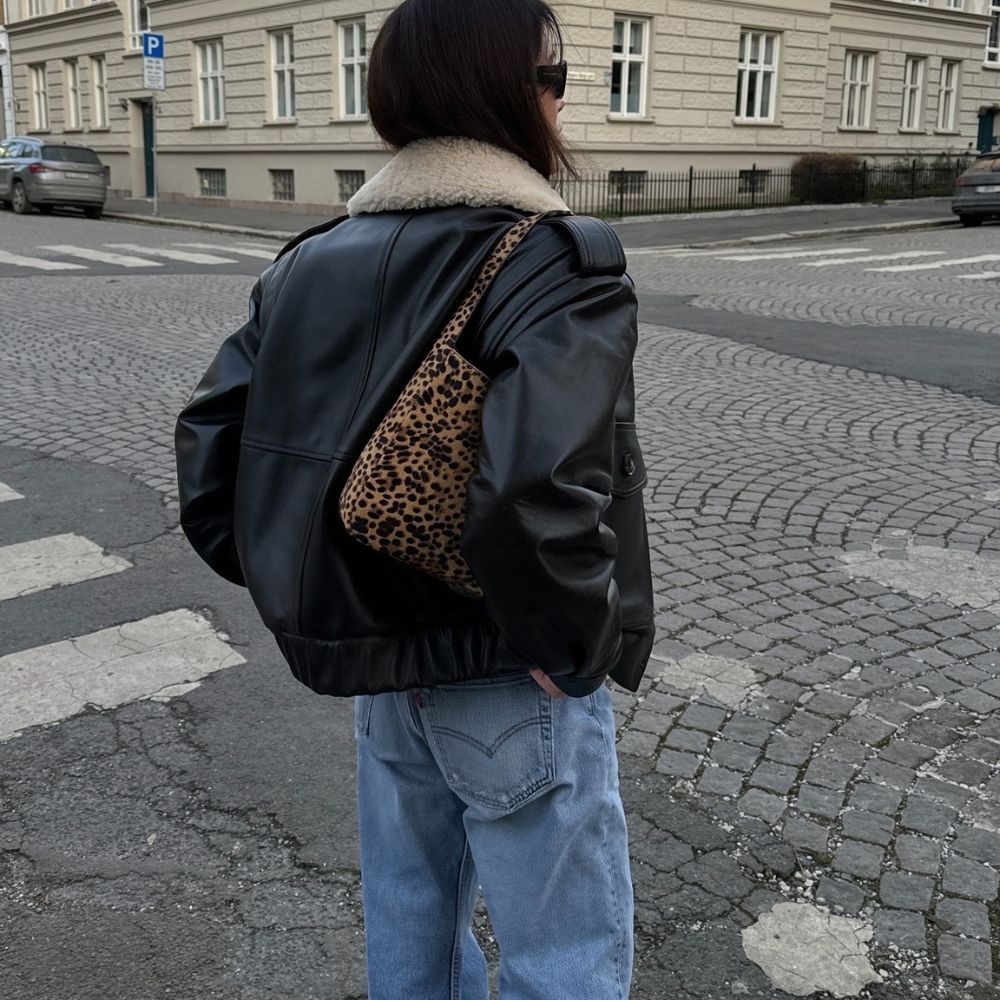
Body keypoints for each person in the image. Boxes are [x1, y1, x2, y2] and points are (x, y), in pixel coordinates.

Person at [174, 0, 654, 996]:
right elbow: (538, 490)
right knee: (560, 951)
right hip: (513, 667)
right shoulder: (557, 260)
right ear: (512, 97)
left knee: (409, 926)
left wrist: (325, 588)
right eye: (554, 76)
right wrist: (571, 652)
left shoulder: (307, 261)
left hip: (383, 676)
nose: (563, 98)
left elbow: (213, 460)